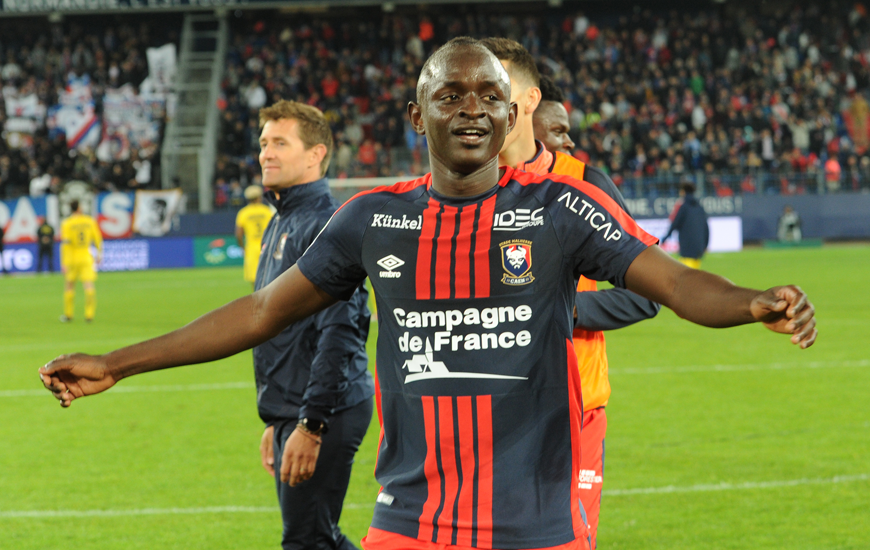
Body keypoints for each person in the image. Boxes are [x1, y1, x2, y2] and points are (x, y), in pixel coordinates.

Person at [41, 38, 817, 550]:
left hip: (536, 527)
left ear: (514, 114)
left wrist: (751, 302)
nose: (473, 106)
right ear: (418, 114)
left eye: (489, 95)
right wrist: (118, 362)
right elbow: (258, 313)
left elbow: (674, 283)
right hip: (410, 525)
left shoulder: (558, 210)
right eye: (451, 94)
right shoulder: (373, 218)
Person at [482, 39, 659, 549]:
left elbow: (645, 295)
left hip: (573, 407)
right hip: (488, 411)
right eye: (556, 131)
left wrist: (561, 309)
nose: (566, 143)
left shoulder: (585, 183)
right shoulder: (466, 187)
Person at [251, 99, 374, 550]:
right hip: (296, 408)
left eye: (280, 143)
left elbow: (342, 329)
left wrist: (310, 424)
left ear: (316, 154)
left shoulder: (325, 225)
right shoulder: (281, 219)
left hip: (327, 410)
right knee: (316, 537)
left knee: (306, 541)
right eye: (264, 143)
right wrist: (278, 418)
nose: (266, 153)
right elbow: (276, 327)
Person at [59, 199, 103, 322]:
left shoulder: (67, 223)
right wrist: (99, 254)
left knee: (69, 286)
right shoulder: (89, 221)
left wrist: (64, 262)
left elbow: (65, 244)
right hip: (86, 256)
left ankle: (68, 315)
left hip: (72, 258)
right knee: (88, 285)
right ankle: (89, 315)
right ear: (79, 208)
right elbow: (98, 238)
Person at [662, 182, 709, 269]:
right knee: (694, 274)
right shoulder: (699, 207)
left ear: (683, 192)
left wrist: (666, 237)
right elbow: (706, 227)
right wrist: (705, 244)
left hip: (687, 247)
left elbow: (675, 223)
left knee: (686, 276)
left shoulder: (683, 207)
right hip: (698, 248)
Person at [235, 184, 274, 286]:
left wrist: (243, 248)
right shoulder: (266, 211)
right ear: (259, 197)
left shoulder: (243, 213)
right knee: (269, 280)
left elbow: (238, 234)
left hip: (251, 248)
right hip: (267, 246)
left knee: (255, 282)